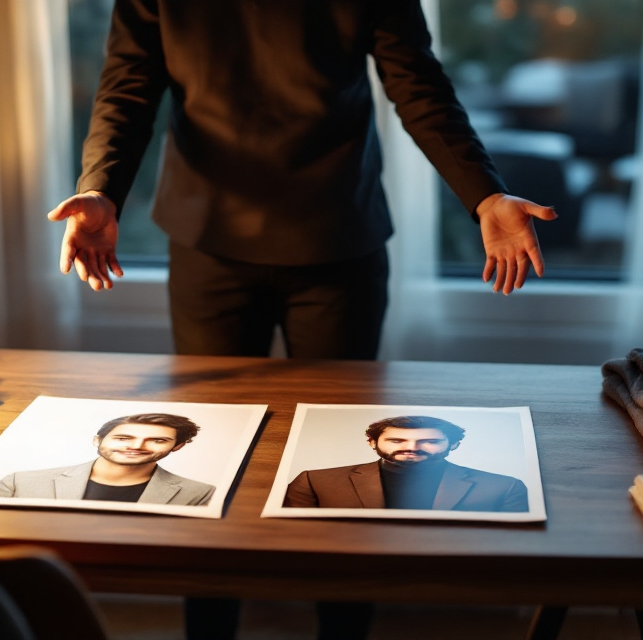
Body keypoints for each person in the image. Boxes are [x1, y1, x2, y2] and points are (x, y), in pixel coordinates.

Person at [47, 2, 553, 637]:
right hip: (211, 238)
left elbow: (418, 83)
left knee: (351, 465)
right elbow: (129, 86)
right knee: (209, 460)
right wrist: (102, 187)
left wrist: (483, 191)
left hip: (337, 238)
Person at [284, 415, 529, 512]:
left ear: (453, 444)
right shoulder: (314, 481)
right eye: (397, 439)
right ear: (372, 442)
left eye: (429, 441)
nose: (411, 447)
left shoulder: (505, 487)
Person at [0, 413, 214, 506]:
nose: (136, 446)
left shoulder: (200, 493)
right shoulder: (20, 482)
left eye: (157, 440)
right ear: (97, 440)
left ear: (178, 446)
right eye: (124, 437)